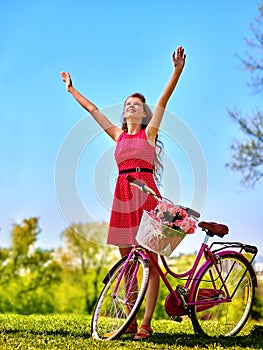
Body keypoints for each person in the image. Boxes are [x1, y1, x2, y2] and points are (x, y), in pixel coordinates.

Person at [61, 46, 186, 340]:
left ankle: (145, 323)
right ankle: (128, 319)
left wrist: (177, 71)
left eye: (137, 104)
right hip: (122, 199)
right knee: (128, 262)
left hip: (147, 197)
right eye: (128, 103)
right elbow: (93, 110)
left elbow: (164, 100)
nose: (132, 106)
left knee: (151, 264)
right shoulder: (118, 136)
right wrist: (71, 89)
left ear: (144, 113)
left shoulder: (149, 134)